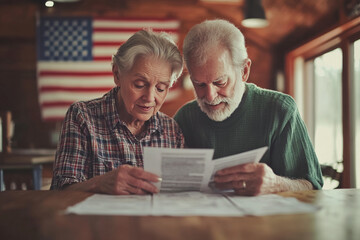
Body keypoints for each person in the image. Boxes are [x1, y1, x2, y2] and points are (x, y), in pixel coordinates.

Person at [174, 19, 323, 196]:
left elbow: (313, 186)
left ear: (244, 71)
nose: (210, 96)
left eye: (220, 82)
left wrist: (276, 184)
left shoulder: (280, 111)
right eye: (199, 84)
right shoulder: (185, 118)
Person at [51, 30, 184, 195]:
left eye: (160, 88)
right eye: (140, 84)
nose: (150, 97)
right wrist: (99, 184)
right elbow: (59, 191)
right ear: (117, 75)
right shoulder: (82, 117)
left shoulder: (172, 130)